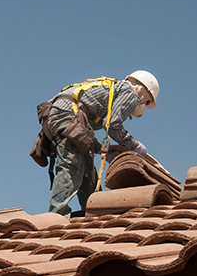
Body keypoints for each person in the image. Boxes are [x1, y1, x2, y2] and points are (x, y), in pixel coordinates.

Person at [43, 70, 160, 217]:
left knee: (87, 172)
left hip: (60, 116)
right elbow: (112, 124)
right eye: (147, 101)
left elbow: (84, 129)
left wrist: (101, 149)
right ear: (145, 90)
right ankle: (55, 216)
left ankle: (94, 212)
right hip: (67, 116)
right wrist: (134, 145)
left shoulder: (113, 89)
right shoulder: (131, 92)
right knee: (72, 166)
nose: (142, 103)